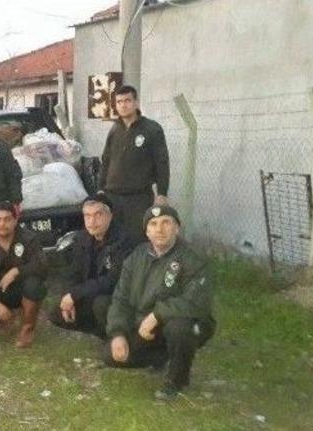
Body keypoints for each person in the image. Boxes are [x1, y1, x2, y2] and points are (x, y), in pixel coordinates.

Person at [104, 205, 215, 400]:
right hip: (145, 324)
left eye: (166, 223)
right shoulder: (137, 256)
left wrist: (157, 315)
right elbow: (120, 298)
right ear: (147, 231)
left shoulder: (192, 258)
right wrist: (118, 333)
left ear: (177, 228)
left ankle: (177, 379)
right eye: (153, 224)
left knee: (179, 329)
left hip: (186, 320)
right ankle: (162, 356)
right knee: (113, 357)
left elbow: (195, 301)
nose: (159, 229)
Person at [50, 194, 138, 337]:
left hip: (116, 297)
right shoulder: (81, 238)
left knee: (101, 305)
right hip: (89, 293)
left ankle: (116, 337)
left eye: (98, 215)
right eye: (87, 216)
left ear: (109, 216)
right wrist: (68, 295)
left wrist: (76, 294)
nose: (92, 221)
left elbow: (113, 280)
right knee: (56, 313)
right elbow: (72, 273)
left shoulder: (124, 241)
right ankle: (98, 331)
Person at [98, 85, 170, 240]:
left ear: (136, 103)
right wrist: (100, 189)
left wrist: (162, 193)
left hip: (138, 198)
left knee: (137, 240)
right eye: (119, 102)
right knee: (113, 240)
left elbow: (162, 163)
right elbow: (106, 160)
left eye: (127, 101)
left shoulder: (152, 129)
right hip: (112, 196)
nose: (123, 105)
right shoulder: (114, 129)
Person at [0, 202, 47, 348]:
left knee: (34, 286)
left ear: (15, 220)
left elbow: (42, 265)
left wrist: (16, 272)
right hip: (0, 292)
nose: (2, 224)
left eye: (7, 219)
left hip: (24, 288)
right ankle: (7, 318)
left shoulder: (28, 238)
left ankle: (28, 327)